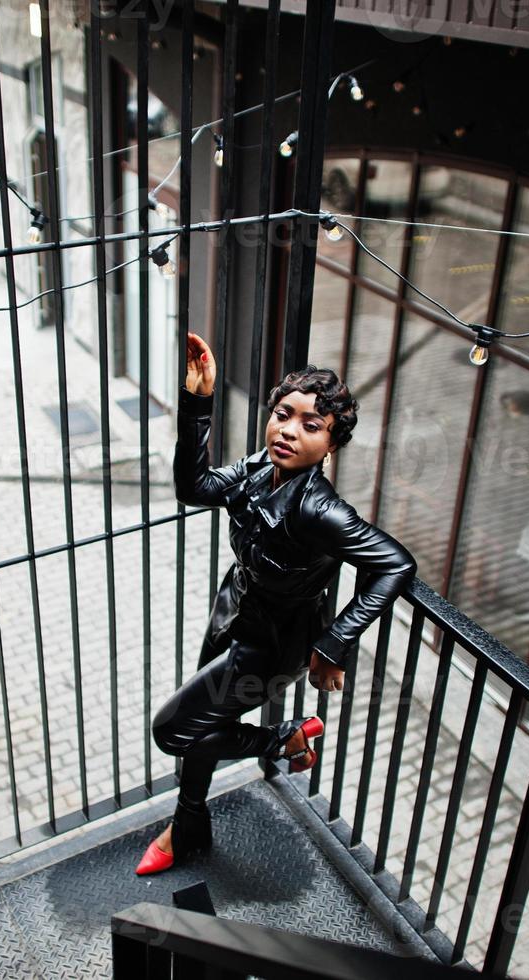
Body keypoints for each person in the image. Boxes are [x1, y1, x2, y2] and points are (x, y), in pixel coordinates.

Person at [135, 332, 417, 875]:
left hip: (273, 645)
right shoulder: (263, 465)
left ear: (331, 445)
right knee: (201, 727)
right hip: (233, 612)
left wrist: (334, 644)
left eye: (311, 426)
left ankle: (283, 740)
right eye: (284, 414)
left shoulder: (321, 510)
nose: (289, 430)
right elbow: (195, 487)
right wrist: (198, 402)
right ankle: (188, 822)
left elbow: (396, 564)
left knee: (174, 730)